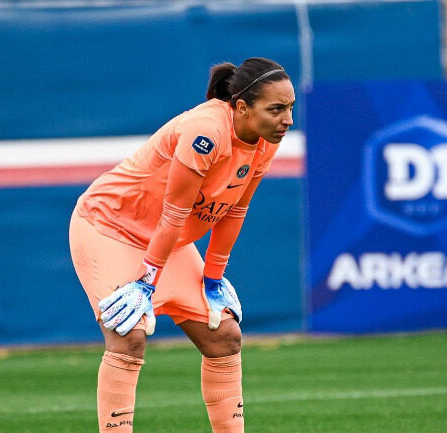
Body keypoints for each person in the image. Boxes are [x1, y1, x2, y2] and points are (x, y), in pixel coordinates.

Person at [68, 57, 294, 433]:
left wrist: (213, 279)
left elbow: (235, 211)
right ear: (242, 107)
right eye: (277, 108)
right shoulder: (205, 131)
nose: (287, 119)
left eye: (289, 108)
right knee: (129, 335)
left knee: (224, 335)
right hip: (109, 226)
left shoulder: (265, 139)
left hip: (164, 240)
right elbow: (174, 213)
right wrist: (146, 282)